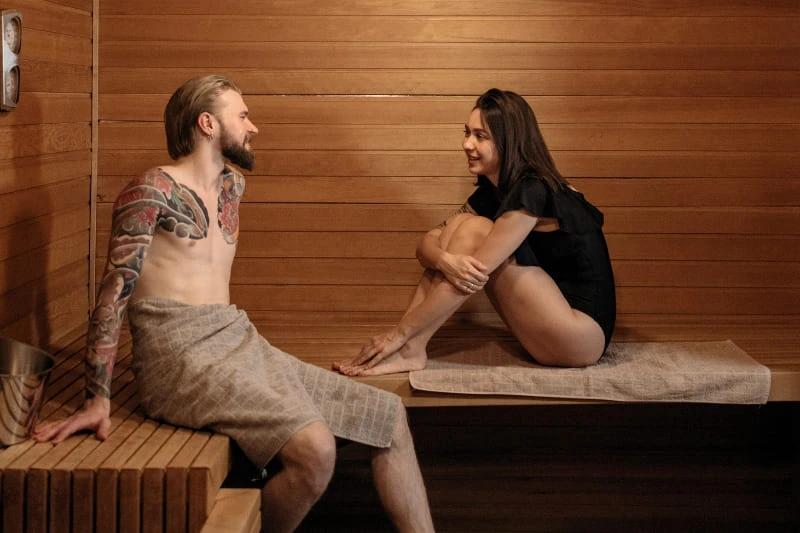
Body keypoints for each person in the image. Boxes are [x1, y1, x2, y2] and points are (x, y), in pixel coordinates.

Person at [34, 75, 435, 533]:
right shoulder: (149, 190)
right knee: (316, 450)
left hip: (236, 338)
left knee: (390, 416)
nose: (253, 127)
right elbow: (113, 293)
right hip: (175, 354)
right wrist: (96, 399)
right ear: (207, 123)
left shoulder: (233, 188)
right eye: (242, 115)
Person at [334, 88, 615, 377]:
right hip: (548, 325)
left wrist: (397, 332)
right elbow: (426, 245)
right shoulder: (492, 192)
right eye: (467, 133)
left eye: (480, 137)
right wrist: (445, 260)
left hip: (580, 338)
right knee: (460, 228)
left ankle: (406, 344)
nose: (466, 144)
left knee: (475, 231)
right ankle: (410, 348)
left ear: (508, 141)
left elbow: (474, 276)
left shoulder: (533, 189)